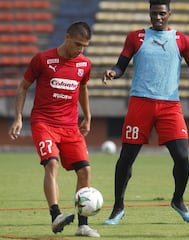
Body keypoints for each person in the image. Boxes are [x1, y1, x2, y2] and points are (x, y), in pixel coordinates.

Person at [102, 0, 189, 225]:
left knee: (182, 158)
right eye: (153, 13)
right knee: (126, 158)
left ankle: (178, 200)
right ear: (149, 14)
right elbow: (121, 65)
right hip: (140, 103)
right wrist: (113, 72)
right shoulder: (135, 38)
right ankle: (118, 207)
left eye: (161, 13)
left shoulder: (182, 40)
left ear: (169, 13)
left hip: (170, 105)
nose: (157, 17)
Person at [8, 22, 100, 237]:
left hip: (70, 126)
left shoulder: (84, 65)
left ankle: (83, 225)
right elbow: (22, 87)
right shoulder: (42, 59)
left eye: (84, 46)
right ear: (67, 37)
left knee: (85, 171)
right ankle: (56, 215)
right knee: (51, 163)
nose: (80, 49)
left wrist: (87, 115)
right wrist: (18, 118)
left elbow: (82, 88)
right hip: (44, 123)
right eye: (77, 44)